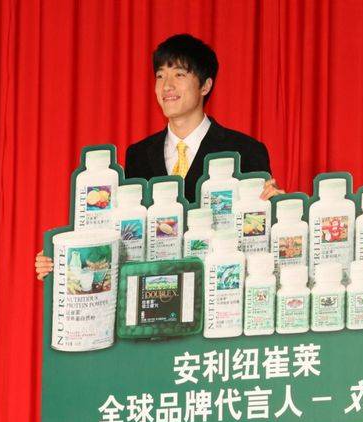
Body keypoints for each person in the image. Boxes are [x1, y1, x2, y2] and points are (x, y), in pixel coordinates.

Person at [36, 34, 282, 279]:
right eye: (160, 76)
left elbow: (261, 239)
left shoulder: (245, 151)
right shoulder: (138, 155)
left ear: (205, 86)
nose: (167, 86)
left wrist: (276, 209)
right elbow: (121, 235)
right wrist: (63, 258)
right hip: (156, 292)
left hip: (220, 287)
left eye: (179, 75)